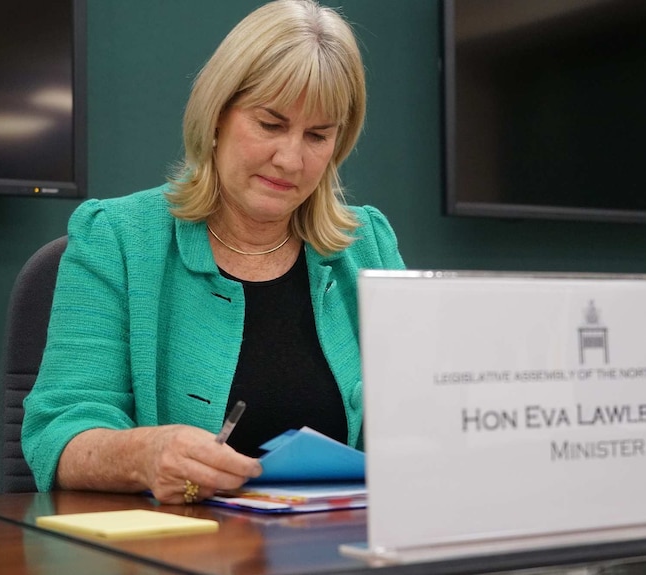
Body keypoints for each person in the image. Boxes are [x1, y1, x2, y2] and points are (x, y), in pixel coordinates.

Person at [21, 0, 405, 505]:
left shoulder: (368, 246)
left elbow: (428, 413)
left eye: (317, 136)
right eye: (270, 124)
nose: (290, 159)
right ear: (217, 115)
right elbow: (59, 432)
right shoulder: (117, 239)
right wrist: (144, 453)